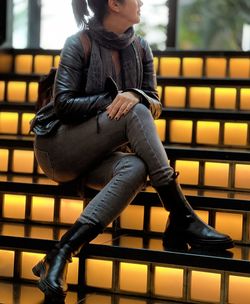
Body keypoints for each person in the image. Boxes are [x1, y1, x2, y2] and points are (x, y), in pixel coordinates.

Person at [30, 0, 234, 301]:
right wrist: (119, 100)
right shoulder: (78, 43)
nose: (140, 2)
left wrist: (134, 96)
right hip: (59, 149)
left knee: (136, 166)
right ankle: (180, 214)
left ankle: (61, 252)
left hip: (101, 152)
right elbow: (64, 104)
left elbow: (154, 102)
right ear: (114, 4)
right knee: (134, 110)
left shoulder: (141, 48)